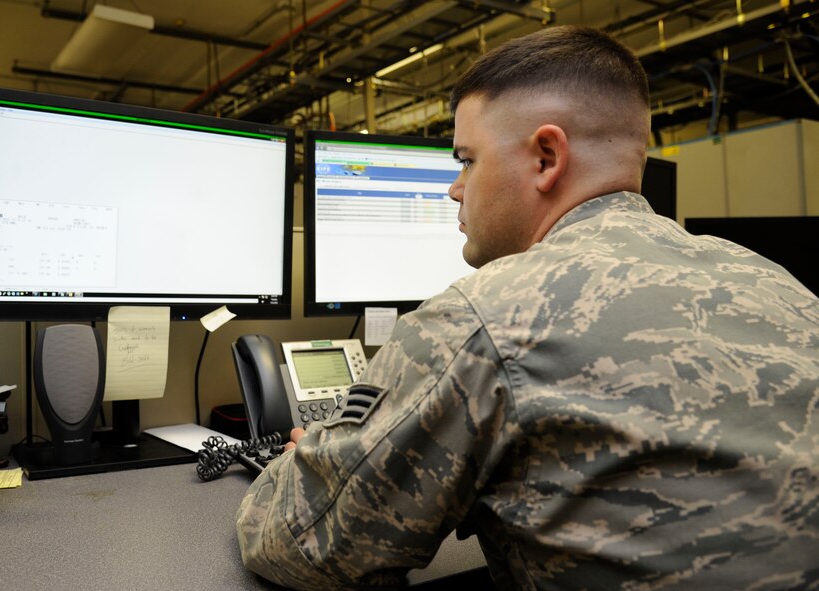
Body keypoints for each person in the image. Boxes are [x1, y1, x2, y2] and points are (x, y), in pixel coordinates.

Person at [236, 25, 819, 590]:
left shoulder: (482, 317)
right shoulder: (775, 282)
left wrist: (314, 459)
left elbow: (297, 542)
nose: (455, 189)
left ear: (546, 157)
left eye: (467, 160)